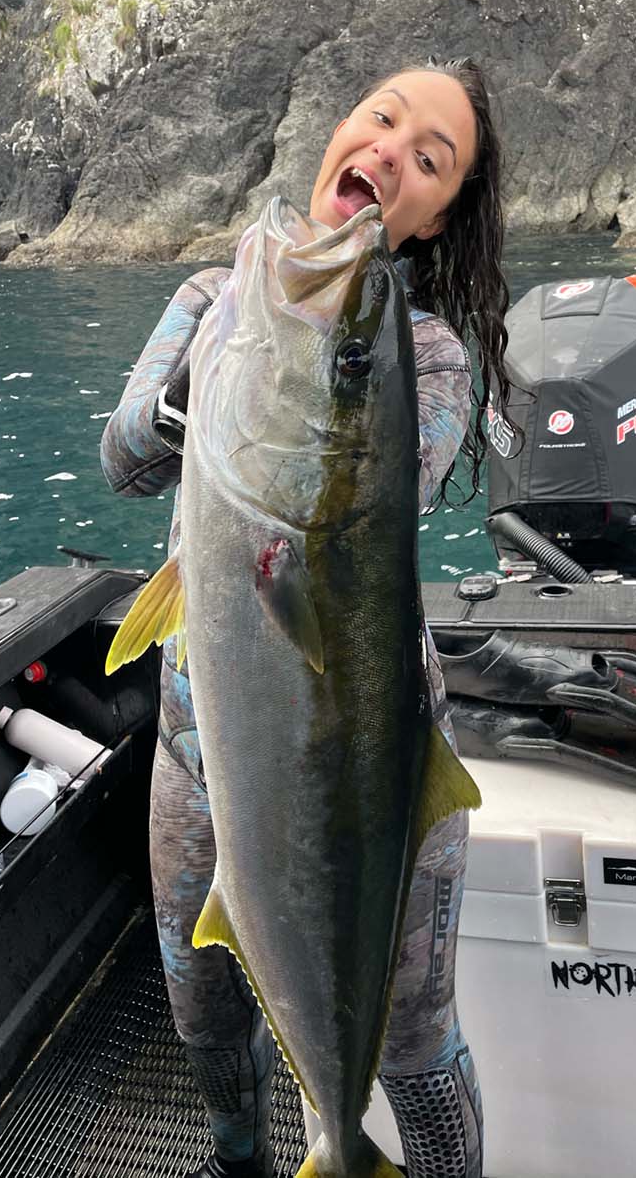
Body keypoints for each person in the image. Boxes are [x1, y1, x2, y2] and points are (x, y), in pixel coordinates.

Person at [101, 57, 512, 1178]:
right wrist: (206, 378)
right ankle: (251, 1163)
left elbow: (364, 504)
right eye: (381, 119)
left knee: (415, 1047)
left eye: (429, 158)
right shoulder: (215, 298)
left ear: (435, 216)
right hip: (203, 738)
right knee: (201, 1008)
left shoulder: (417, 353)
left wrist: (299, 358)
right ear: (339, 129)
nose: (390, 151)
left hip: (370, 754)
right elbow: (128, 458)